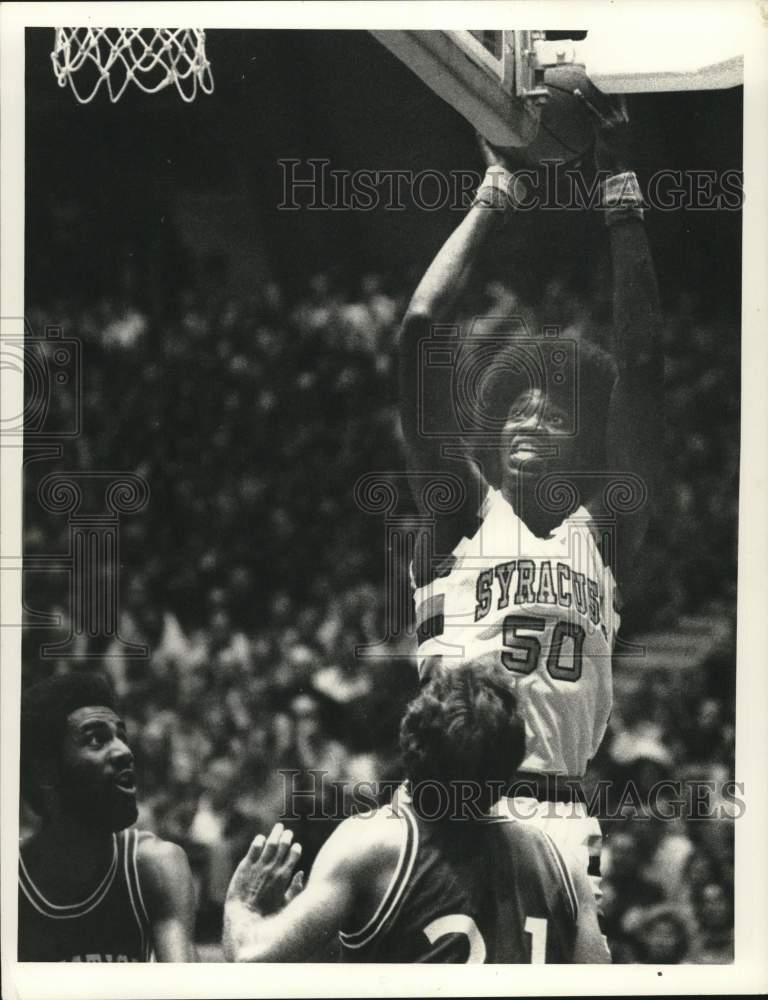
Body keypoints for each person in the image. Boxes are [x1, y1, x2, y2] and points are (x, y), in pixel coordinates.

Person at [397, 73, 662, 893]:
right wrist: (495, 195)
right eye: (519, 408)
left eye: (554, 415)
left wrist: (621, 192)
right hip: (454, 805)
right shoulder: (462, 515)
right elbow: (418, 332)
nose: (531, 421)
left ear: (583, 443)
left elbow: (643, 367)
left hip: (562, 816)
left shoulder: (603, 532)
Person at [222, 665, 609, 963]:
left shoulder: (373, 844)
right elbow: (600, 987)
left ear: (408, 741)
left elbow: (249, 956)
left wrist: (243, 905)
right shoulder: (563, 864)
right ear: (509, 770)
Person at [18, 671, 198, 962]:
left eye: (121, 737)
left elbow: (183, 984)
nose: (125, 751)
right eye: (96, 739)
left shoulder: (153, 865)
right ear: (44, 771)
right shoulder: (11, 878)